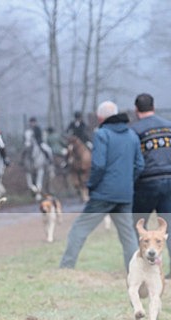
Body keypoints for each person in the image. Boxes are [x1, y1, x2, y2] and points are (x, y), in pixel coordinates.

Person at [60, 101, 145, 271]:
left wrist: (91, 185)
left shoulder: (102, 134)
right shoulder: (132, 135)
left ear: (100, 118)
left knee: (79, 228)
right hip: (125, 194)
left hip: (103, 195)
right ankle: (135, 271)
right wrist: (127, 182)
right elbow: (140, 165)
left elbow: (98, 165)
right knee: (128, 236)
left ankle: (66, 267)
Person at [130, 93, 171, 279]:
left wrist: (135, 179)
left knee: (138, 225)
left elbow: (133, 159)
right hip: (169, 181)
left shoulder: (134, 130)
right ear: (154, 106)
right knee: (168, 227)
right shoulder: (170, 126)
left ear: (136, 109)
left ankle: (139, 268)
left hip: (146, 183)